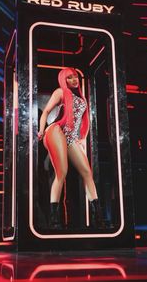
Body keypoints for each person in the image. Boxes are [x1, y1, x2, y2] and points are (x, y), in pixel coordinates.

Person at [38, 67, 104, 229]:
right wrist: (40, 130)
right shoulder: (61, 92)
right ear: (63, 80)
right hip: (57, 131)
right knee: (62, 172)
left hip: (71, 137)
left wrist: (82, 139)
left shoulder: (81, 98)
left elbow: (82, 122)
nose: (74, 80)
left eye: (75, 77)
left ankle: (98, 215)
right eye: (70, 78)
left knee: (87, 172)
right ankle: (54, 218)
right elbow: (46, 111)